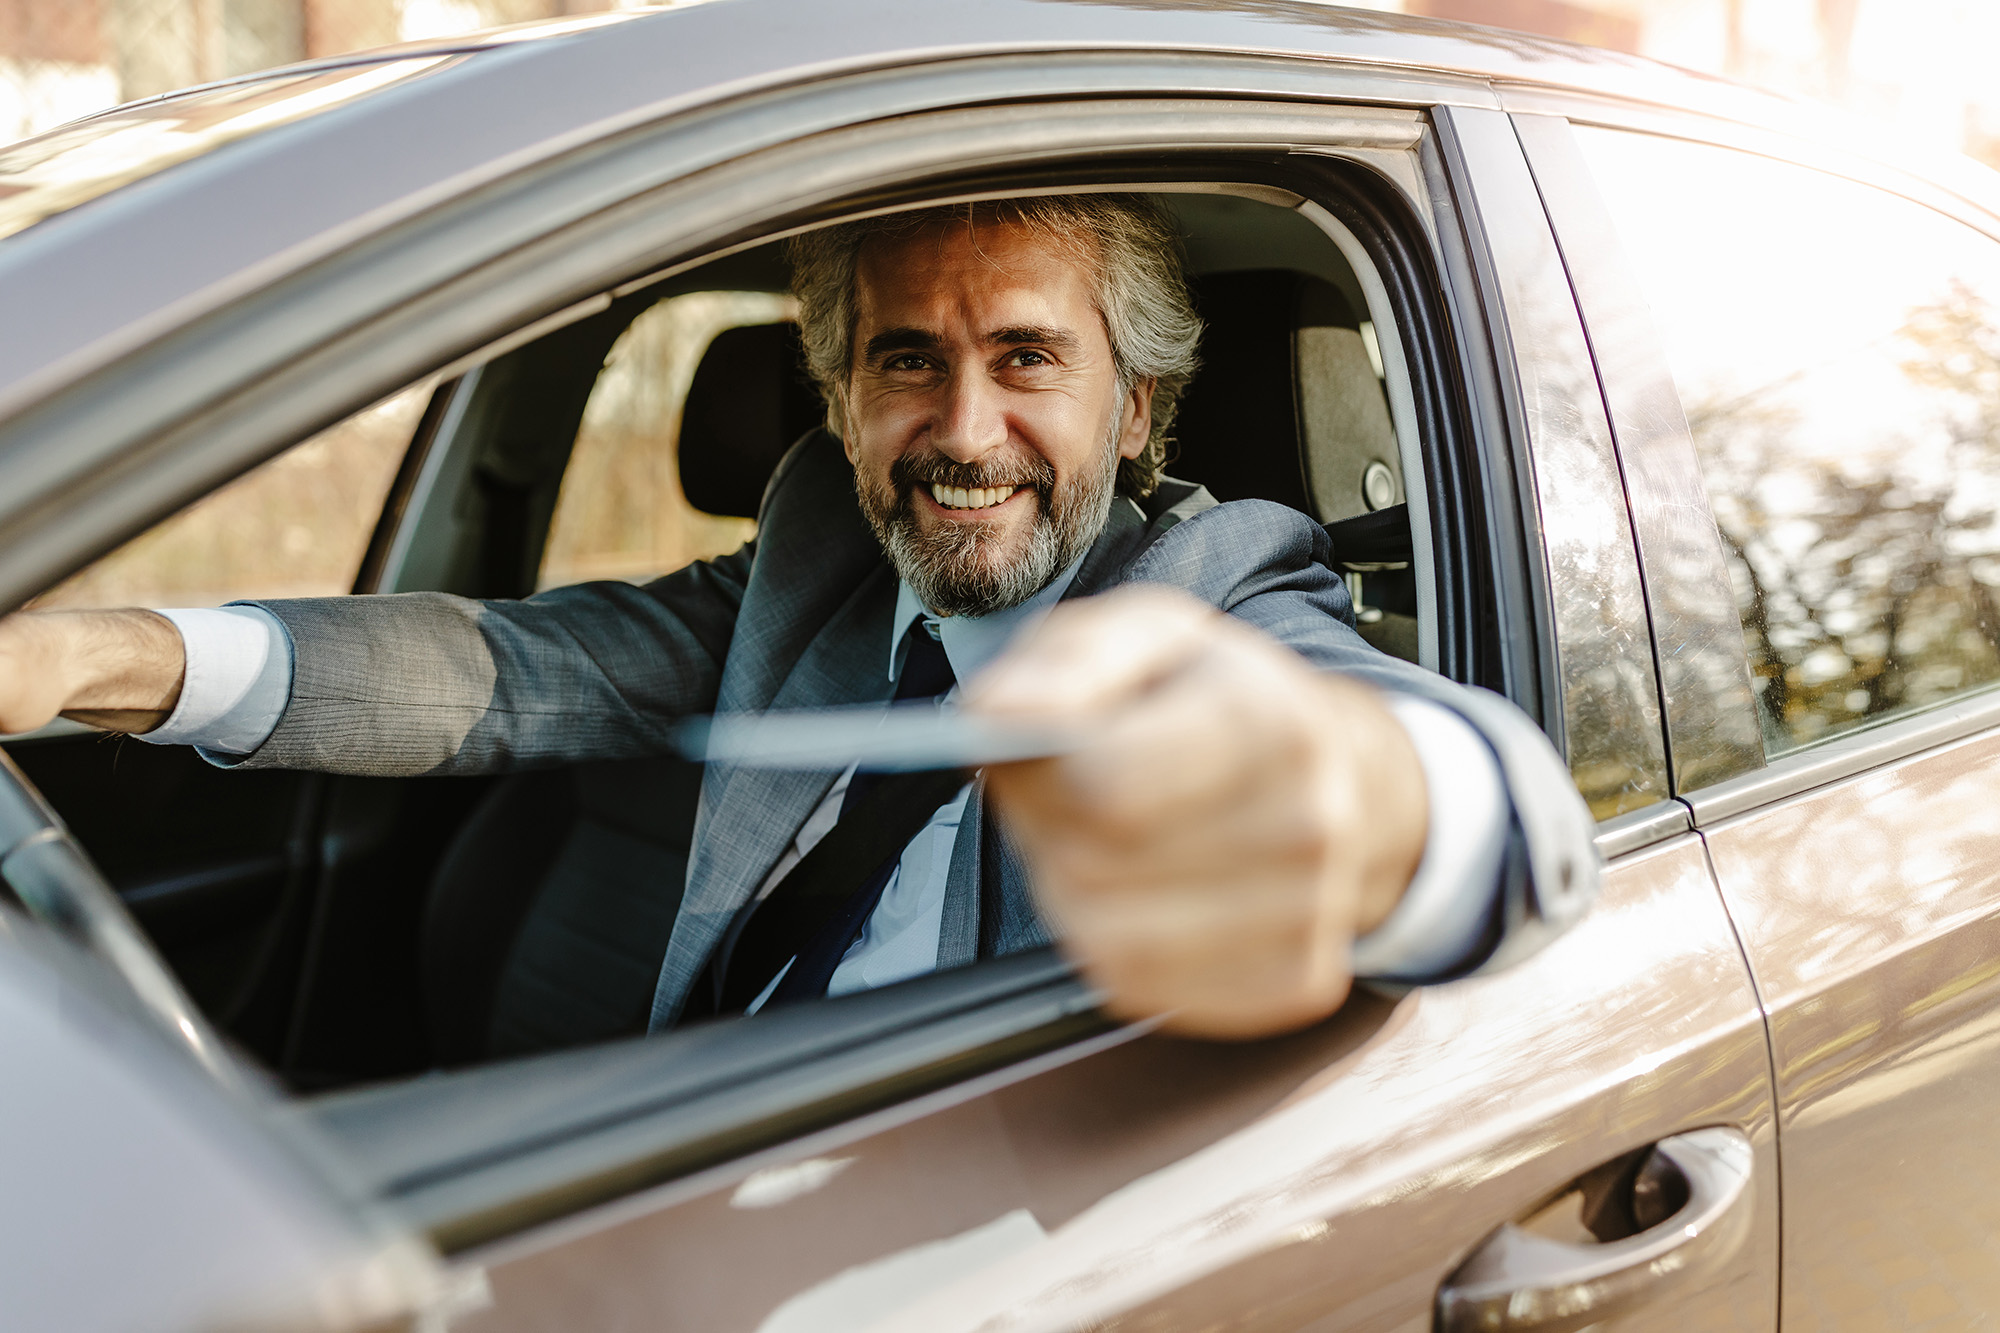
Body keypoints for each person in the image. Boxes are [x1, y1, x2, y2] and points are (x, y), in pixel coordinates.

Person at [0, 195, 1596, 1041]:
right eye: (909, 360)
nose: (964, 430)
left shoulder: (1220, 583)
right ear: (839, 400)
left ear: (1135, 410)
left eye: (1029, 359)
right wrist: (100, 656)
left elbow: (1445, 781)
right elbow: (506, 671)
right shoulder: (818, 570)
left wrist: (1371, 803)